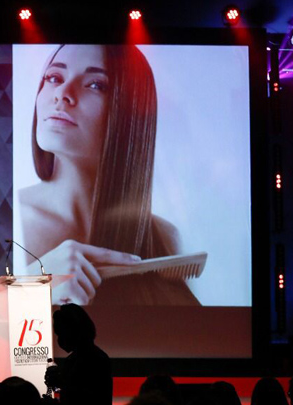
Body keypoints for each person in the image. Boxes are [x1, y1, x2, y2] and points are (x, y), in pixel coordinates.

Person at [16, 44, 198, 306]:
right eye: (54, 77)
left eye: (95, 85)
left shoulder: (164, 238)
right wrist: (29, 289)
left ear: (131, 112)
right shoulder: (12, 223)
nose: (62, 93)